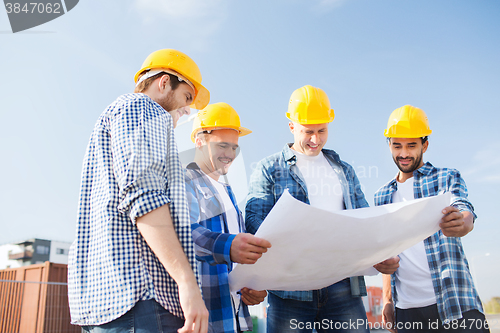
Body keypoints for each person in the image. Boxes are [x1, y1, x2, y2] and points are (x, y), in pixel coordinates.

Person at [68, 49, 210, 333]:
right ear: (164, 82)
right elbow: (145, 199)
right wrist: (187, 282)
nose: (187, 111)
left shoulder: (117, 118)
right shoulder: (144, 109)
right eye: (186, 98)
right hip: (143, 298)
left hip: (112, 299)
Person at [245, 85, 399, 333]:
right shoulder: (268, 168)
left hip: (343, 288)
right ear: (291, 126)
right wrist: (257, 276)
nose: (315, 139)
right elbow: (254, 221)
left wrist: (383, 253)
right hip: (289, 290)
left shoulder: (343, 170)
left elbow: (365, 219)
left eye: (322, 131)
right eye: (308, 131)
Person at [375, 105, 489, 333]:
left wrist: (464, 222)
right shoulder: (382, 196)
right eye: (397, 146)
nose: (404, 153)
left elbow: (463, 207)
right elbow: (387, 251)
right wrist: (387, 300)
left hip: (455, 303)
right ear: (389, 145)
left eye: (411, 146)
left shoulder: (446, 177)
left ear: (424, 145)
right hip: (408, 311)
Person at [185, 102, 272, 333]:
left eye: (234, 148)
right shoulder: (184, 180)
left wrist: (255, 286)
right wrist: (228, 246)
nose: (230, 155)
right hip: (205, 320)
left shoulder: (228, 191)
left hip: (234, 319)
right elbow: (181, 235)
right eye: (223, 146)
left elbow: (237, 256)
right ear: (200, 141)